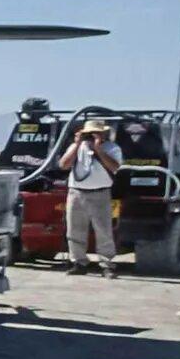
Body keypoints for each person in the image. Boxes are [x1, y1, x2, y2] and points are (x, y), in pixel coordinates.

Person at [55, 118, 120, 276]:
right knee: (75, 230)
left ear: (103, 134)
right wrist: (77, 144)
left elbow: (115, 167)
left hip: (100, 193)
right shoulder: (76, 147)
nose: (91, 136)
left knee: (103, 230)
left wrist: (98, 149)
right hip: (77, 193)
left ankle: (106, 263)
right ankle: (78, 262)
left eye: (96, 133)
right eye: (89, 134)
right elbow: (63, 165)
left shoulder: (111, 148)